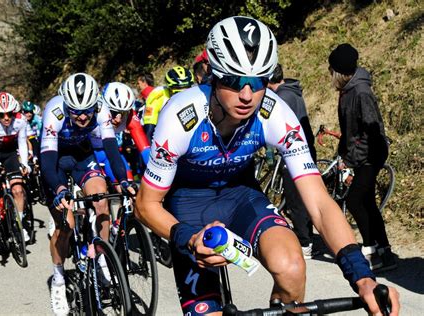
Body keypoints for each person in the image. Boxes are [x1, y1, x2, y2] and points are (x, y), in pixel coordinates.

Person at [135, 16, 399, 315]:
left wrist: (362, 277)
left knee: (292, 267)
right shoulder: (180, 116)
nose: (247, 95)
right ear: (213, 75)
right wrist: (187, 237)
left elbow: (320, 204)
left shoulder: (275, 112)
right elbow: (145, 205)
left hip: (241, 197)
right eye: (234, 81)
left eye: (258, 81)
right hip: (187, 204)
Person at [40, 73, 136, 316]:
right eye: (75, 111)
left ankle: (103, 258)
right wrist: (59, 189)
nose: (82, 116)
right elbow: (48, 161)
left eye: (87, 110)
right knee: (66, 224)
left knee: (101, 201)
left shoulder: (102, 110)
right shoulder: (55, 113)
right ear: (66, 105)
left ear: (96, 104)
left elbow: (112, 150)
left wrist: (123, 180)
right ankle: (59, 281)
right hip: (55, 160)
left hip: (83, 155)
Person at [328, 43, 397, 272]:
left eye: (331, 70)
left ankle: (371, 250)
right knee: (366, 201)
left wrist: (352, 158)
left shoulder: (361, 92)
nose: (329, 74)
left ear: (339, 72)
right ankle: (385, 252)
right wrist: (342, 155)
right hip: (361, 154)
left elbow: (372, 130)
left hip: (371, 154)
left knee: (356, 200)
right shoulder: (347, 91)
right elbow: (350, 131)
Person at [267, 64, 318, 259]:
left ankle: (305, 243)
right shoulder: (293, 92)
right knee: (304, 197)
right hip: (306, 149)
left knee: (295, 199)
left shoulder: (282, 97)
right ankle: (309, 239)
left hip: (294, 153)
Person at [0, 92, 31, 242]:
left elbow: (22, 142)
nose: (7, 118)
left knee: (18, 189)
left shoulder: (21, 120)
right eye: (2, 115)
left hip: (9, 154)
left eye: (10, 113)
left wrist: (25, 164)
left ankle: (19, 225)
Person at [91, 82, 151, 183]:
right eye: (113, 112)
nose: (118, 119)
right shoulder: (92, 112)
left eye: (123, 113)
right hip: (88, 154)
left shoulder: (130, 116)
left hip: (112, 154)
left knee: (129, 187)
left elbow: (145, 150)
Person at [143, 66, 194, 141]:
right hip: (158, 131)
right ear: (170, 88)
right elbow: (149, 132)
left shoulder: (194, 94)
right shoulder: (157, 96)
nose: (183, 95)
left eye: (187, 90)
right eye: (178, 91)